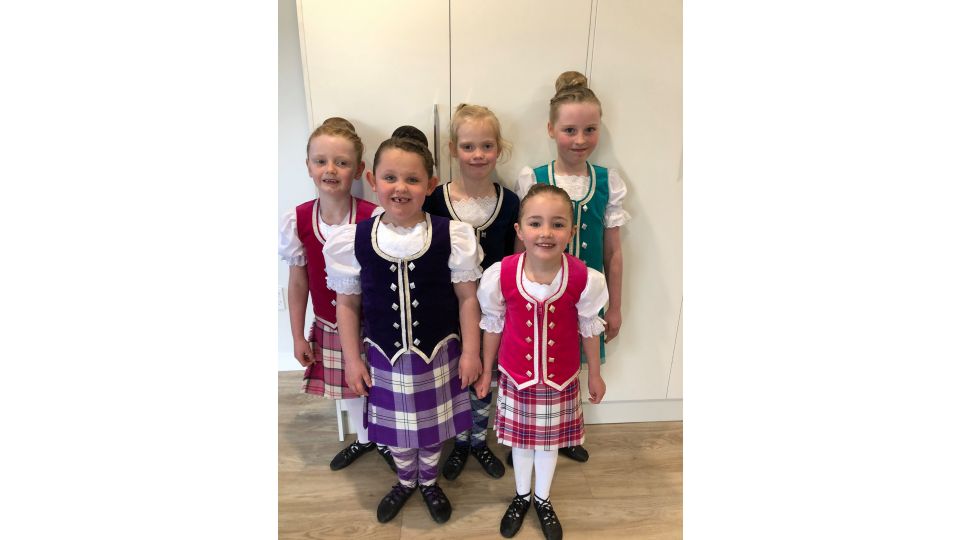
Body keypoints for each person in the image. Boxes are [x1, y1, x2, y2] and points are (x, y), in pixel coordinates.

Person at [323, 126, 483, 525]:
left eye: (412, 179)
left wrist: (472, 351)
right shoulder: (354, 239)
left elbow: (468, 298)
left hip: (438, 353)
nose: (400, 187)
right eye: (390, 178)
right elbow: (347, 305)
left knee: (431, 430)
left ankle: (428, 481)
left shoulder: (452, 236)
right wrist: (352, 361)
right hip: (382, 356)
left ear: (429, 185)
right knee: (396, 432)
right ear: (373, 181)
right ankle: (404, 479)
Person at [476, 184, 608, 540]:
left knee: (549, 444)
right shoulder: (500, 275)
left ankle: (543, 499)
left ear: (572, 231)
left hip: (560, 380)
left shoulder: (584, 278)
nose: (546, 233)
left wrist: (594, 374)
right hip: (516, 378)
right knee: (520, 444)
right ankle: (521, 496)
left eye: (557, 224)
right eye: (535, 223)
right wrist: (486, 371)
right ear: (519, 230)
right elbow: (493, 325)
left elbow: (589, 328)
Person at [514, 70, 630, 463]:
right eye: (569, 130)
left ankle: (564, 433)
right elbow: (518, 249)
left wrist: (613, 306)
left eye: (589, 130)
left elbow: (613, 253)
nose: (580, 140)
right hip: (539, 293)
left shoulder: (607, 181)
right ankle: (524, 435)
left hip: (583, 297)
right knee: (534, 359)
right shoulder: (535, 178)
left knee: (575, 362)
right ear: (551, 129)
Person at [279, 117, 395, 472]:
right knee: (348, 388)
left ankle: (388, 440)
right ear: (309, 166)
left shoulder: (372, 217)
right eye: (321, 161)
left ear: (358, 170)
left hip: (373, 325)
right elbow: (298, 281)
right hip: (329, 323)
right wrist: (298, 334)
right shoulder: (297, 220)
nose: (331, 169)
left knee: (380, 386)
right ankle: (363, 439)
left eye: (342, 163)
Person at [423, 104, 519, 481]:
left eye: (486, 146)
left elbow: (514, 261)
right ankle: (459, 440)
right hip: (448, 308)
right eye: (468, 146)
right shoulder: (435, 201)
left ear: (499, 148)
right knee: (454, 373)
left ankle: (478, 439)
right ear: (451, 149)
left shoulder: (510, 201)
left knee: (485, 375)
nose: (477, 155)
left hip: (493, 311)